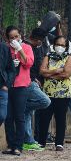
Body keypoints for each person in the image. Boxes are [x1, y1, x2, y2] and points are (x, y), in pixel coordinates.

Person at [39, 36, 71, 151]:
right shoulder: (48, 56)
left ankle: (59, 143)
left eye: (62, 45)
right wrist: (56, 71)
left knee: (60, 118)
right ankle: (41, 142)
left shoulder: (69, 58)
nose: (60, 47)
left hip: (63, 93)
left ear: (66, 46)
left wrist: (49, 75)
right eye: (58, 44)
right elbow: (42, 71)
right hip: (48, 93)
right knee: (44, 118)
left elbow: (66, 74)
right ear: (54, 45)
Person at [3, 26, 34, 156]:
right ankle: (10, 144)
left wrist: (20, 50)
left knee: (19, 116)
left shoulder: (27, 47)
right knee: (8, 116)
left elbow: (29, 63)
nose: (14, 39)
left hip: (21, 86)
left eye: (16, 36)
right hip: (8, 86)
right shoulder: (5, 49)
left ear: (20, 35)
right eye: (12, 38)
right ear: (7, 39)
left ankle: (18, 146)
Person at [22, 28, 51, 151]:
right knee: (45, 101)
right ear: (39, 40)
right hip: (28, 82)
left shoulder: (36, 48)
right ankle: (22, 107)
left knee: (28, 114)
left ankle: (28, 141)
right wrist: (33, 78)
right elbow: (27, 65)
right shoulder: (26, 46)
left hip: (33, 81)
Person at [0, 41, 16, 126]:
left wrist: (7, 85)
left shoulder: (4, 48)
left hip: (2, 88)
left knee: (2, 115)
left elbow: (11, 70)